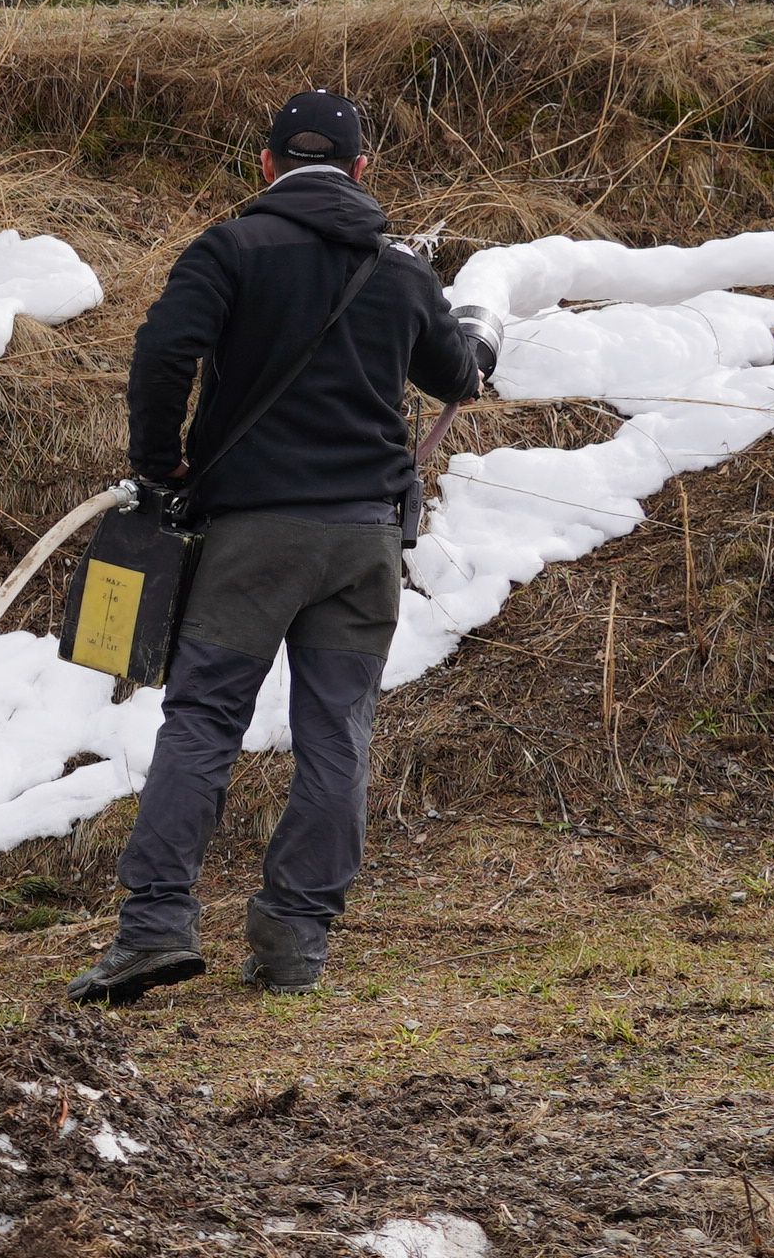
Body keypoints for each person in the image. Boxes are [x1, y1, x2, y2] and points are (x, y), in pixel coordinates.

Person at [65, 89, 499, 1005]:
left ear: (265, 165)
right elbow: (459, 376)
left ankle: (154, 929)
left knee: (205, 722)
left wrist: (159, 468)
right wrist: (467, 332)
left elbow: (161, 356)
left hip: (252, 539)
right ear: (362, 171)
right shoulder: (398, 269)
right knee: (336, 733)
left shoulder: (228, 250)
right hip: (365, 544)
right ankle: (295, 940)